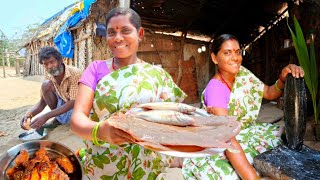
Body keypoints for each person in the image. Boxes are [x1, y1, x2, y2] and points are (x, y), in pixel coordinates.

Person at [70, 7, 186, 179]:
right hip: (104, 163)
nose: (118, 38)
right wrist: (99, 130)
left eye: (125, 31)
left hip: (146, 164)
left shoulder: (156, 75)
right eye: (111, 33)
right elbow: (77, 119)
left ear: (140, 33)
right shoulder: (95, 69)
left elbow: (171, 119)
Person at [182, 34, 305, 180]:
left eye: (237, 52)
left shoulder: (243, 73)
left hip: (244, 131)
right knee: (225, 174)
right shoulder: (215, 89)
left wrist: (283, 78)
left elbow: (269, 92)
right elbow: (227, 137)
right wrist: (251, 177)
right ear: (215, 58)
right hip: (221, 141)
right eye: (227, 53)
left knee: (284, 135)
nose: (235, 58)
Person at [20, 46, 82, 130]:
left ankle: (59, 118)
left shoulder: (75, 73)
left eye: (52, 62)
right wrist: (29, 115)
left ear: (60, 60)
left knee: (76, 117)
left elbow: (73, 102)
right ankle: (58, 118)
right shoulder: (49, 75)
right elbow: (42, 102)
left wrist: (47, 116)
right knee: (45, 85)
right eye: (45, 64)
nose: (49, 66)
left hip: (77, 106)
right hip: (63, 104)